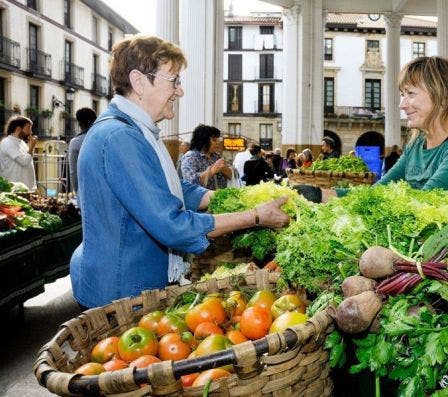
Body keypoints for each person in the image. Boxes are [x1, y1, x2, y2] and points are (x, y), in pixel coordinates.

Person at [71, 35, 289, 309]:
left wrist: (223, 198)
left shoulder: (135, 130)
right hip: (121, 293)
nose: (180, 91)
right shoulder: (119, 137)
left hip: (126, 287)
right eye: (173, 80)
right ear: (139, 82)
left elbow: (168, 187)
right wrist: (255, 216)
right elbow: (172, 224)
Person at [296, 56, 448, 203]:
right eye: (402, 94)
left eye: (410, 94)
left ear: (442, 98)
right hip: (428, 245)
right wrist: (320, 194)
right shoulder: (417, 144)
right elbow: (380, 191)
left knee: (373, 258)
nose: (402, 104)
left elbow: (423, 202)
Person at [180, 124, 231, 189]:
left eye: (218, 139)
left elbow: (232, 176)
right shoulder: (190, 157)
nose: (218, 142)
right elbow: (190, 182)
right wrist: (212, 170)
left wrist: (224, 169)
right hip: (201, 198)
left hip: (219, 197)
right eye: (214, 140)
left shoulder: (216, 156)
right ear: (203, 141)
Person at [0, 115, 37, 190]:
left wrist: (34, 186)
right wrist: (32, 147)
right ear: (18, 129)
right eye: (28, 128)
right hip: (14, 189)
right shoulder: (7, 142)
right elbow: (24, 162)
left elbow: (29, 162)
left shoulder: (22, 143)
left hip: (26, 187)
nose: (31, 132)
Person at [68, 107, 97, 193]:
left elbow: (74, 172)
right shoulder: (103, 138)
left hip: (86, 190)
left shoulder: (76, 142)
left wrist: (78, 193)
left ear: (80, 123)